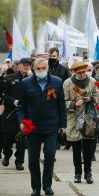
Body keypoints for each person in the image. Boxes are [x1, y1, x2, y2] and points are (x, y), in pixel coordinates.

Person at [16, 58, 67, 196]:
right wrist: (22, 121)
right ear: (33, 69)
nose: (41, 71)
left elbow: (61, 105)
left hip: (51, 125)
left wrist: (63, 124)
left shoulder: (57, 82)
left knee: (50, 155)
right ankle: (36, 188)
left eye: (43, 68)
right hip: (32, 127)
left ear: (47, 68)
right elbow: (21, 106)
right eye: (38, 69)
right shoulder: (26, 83)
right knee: (33, 158)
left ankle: (47, 186)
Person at [63, 62, 99, 184]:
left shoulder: (92, 81)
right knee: (76, 148)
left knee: (89, 149)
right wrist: (74, 104)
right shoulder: (67, 83)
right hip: (73, 119)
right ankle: (77, 173)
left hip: (88, 119)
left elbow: (98, 98)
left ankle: (88, 173)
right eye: (79, 72)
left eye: (84, 71)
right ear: (74, 72)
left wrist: (91, 99)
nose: (82, 74)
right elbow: (63, 101)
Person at [1, 58, 32, 171]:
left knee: (21, 138)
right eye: (24, 65)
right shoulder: (9, 78)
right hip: (10, 113)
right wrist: (13, 101)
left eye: (28, 65)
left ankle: (19, 161)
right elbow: (3, 94)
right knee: (8, 137)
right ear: (18, 66)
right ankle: (7, 154)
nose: (26, 67)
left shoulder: (31, 80)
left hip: (24, 114)